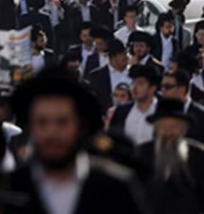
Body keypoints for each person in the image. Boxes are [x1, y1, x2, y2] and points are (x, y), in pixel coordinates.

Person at [8, 67, 151, 214]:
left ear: (80, 126)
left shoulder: (114, 189)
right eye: (42, 122)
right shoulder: (9, 189)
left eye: (62, 122)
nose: (52, 132)